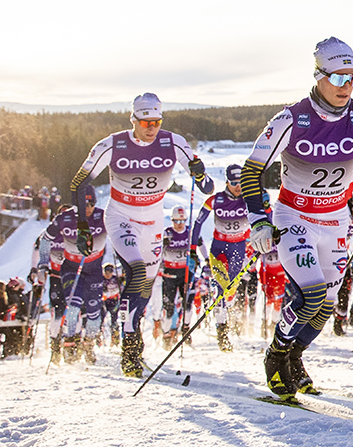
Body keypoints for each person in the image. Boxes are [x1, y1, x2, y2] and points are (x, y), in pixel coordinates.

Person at [239, 37, 353, 396]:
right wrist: (258, 219)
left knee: (327, 304)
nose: (346, 86)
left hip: (335, 222)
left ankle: (295, 357)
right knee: (312, 294)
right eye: (337, 78)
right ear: (319, 76)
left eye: (352, 77)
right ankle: (276, 356)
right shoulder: (292, 117)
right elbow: (251, 170)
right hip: (294, 217)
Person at [67, 93, 213, 376]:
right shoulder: (112, 144)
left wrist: (200, 172)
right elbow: (78, 182)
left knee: (144, 287)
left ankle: (132, 338)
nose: (151, 128)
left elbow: (206, 188)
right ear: (132, 119)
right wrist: (83, 226)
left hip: (153, 222)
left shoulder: (174, 143)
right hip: (122, 217)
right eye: (145, 122)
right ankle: (131, 350)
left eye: (156, 122)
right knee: (134, 271)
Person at [43, 185, 109, 363]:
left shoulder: (103, 216)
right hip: (72, 268)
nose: (88, 207)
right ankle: (69, 341)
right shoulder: (65, 217)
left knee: (95, 315)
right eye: (84, 203)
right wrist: (42, 265)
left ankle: (88, 344)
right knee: (73, 307)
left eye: (92, 203)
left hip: (94, 270)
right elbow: (45, 239)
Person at [193, 164, 252, 352]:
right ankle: (222, 332)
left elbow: (266, 216)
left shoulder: (249, 200)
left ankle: (227, 314)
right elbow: (198, 221)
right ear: (227, 182)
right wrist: (193, 245)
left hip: (239, 249)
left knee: (230, 291)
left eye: (240, 182)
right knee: (220, 289)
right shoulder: (216, 200)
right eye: (234, 183)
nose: (238, 186)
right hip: (219, 250)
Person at [160, 206, 193, 346]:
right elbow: (157, 251)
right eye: (176, 221)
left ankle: (186, 329)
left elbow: (200, 245)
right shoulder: (166, 233)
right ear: (172, 220)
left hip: (185, 273)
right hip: (169, 274)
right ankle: (167, 334)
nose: (179, 224)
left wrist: (205, 261)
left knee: (188, 304)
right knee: (168, 308)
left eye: (182, 221)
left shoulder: (189, 233)